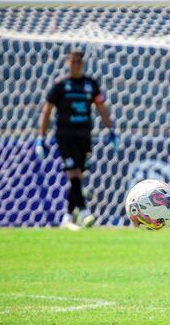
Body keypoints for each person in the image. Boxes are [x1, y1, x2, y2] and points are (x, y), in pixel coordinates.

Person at [36, 50, 119, 230]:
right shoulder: (60, 85)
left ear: (83, 63)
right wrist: (40, 138)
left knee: (78, 175)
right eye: (73, 62)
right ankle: (83, 212)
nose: (76, 65)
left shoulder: (90, 84)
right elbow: (47, 111)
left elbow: (101, 107)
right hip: (65, 135)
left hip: (85, 135)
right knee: (73, 173)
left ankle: (67, 216)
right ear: (67, 63)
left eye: (79, 62)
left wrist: (111, 129)